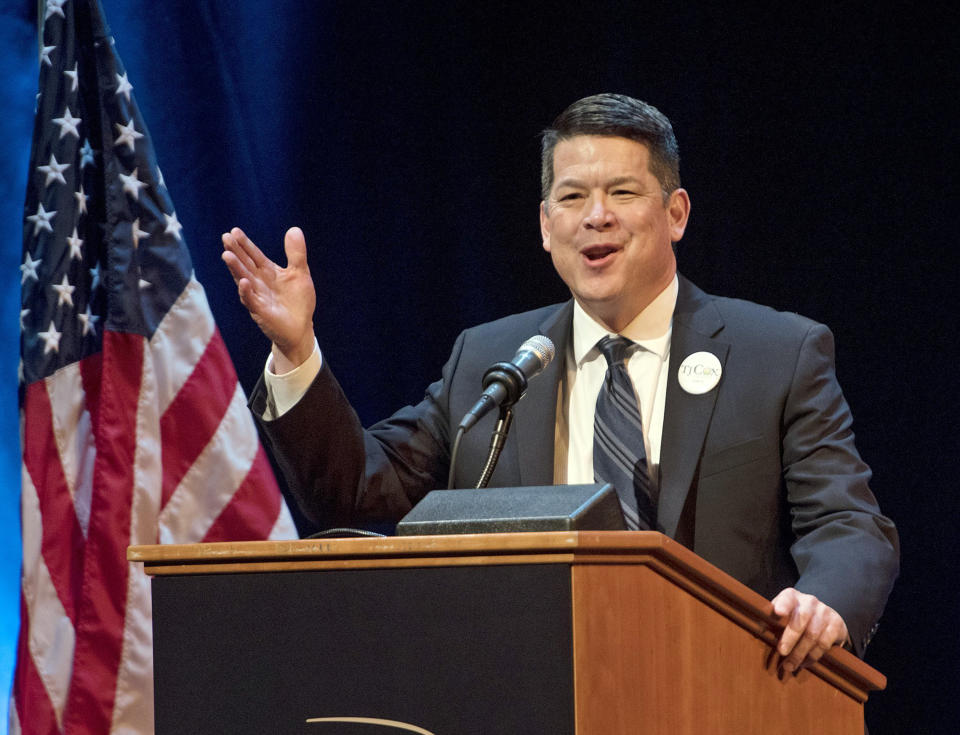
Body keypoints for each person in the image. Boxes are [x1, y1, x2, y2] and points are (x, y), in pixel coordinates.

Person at [221, 94, 898, 677]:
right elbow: (354, 487)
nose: (594, 216)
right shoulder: (491, 360)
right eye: (572, 197)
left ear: (676, 213)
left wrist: (825, 603)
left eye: (622, 193)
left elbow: (848, 523)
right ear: (547, 227)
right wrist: (296, 348)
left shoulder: (775, 353)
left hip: (721, 688)